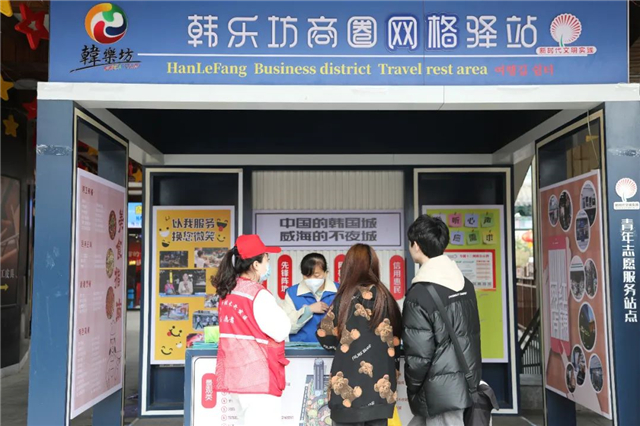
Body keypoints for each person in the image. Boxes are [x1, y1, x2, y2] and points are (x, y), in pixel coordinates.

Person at [403, 215, 482, 426]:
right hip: (466, 383)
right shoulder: (465, 284)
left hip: (438, 393)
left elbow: (419, 355)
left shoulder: (419, 294)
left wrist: (412, 386)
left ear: (416, 245)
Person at [317, 244, 402, 426]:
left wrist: (342, 343)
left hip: (347, 399)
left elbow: (324, 335)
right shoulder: (385, 296)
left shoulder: (345, 297)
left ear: (348, 267)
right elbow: (397, 338)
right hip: (380, 398)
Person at [211, 234, 292, 426]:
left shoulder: (227, 292)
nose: (268, 265)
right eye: (266, 260)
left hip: (236, 376)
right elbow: (281, 330)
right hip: (259, 379)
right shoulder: (258, 295)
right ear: (256, 264)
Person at [282, 253, 339, 342]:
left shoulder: (340, 291)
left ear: (326, 273)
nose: (312, 279)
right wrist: (308, 310)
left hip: (333, 348)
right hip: (301, 348)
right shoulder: (292, 293)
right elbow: (285, 326)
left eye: (316, 275)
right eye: (307, 276)